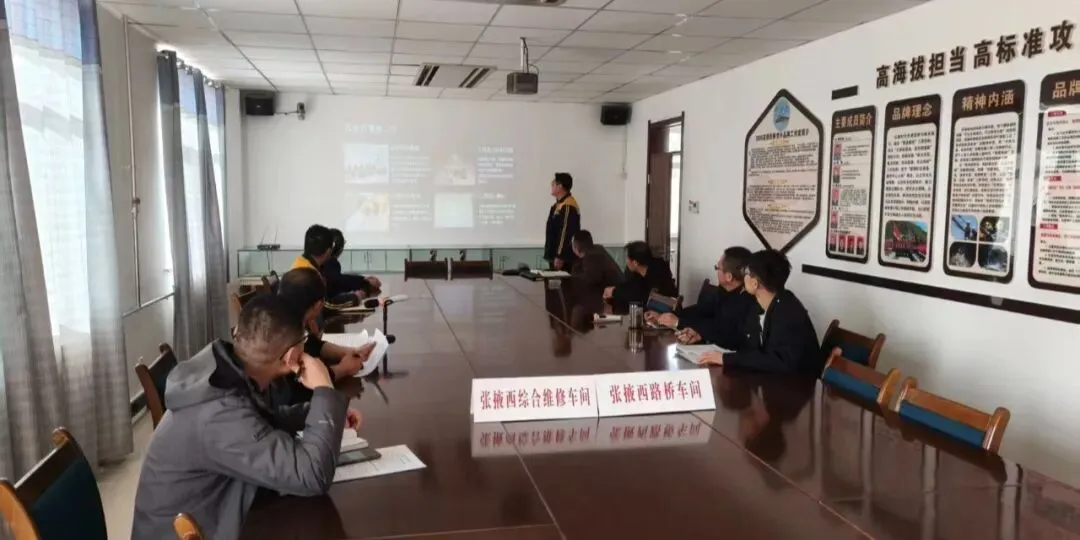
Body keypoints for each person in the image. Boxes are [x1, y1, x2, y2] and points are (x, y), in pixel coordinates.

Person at [132, 294, 362, 540]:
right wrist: (324, 390)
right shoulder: (219, 412)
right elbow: (313, 476)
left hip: (211, 516)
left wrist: (321, 412)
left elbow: (260, 421)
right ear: (292, 356)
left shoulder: (224, 372)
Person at [697, 249, 823, 377]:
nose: (743, 277)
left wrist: (726, 359)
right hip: (771, 380)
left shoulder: (788, 311)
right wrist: (702, 335)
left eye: (747, 273)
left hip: (797, 384)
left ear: (755, 283)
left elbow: (776, 360)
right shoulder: (762, 305)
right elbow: (742, 338)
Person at [275, 267, 375, 405]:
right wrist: (343, 369)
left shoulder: (287, 317)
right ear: (318, 305)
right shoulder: (283, 333)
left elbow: (313, 345)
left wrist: (350, 351)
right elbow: (299, 387)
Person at [667, 247, 756, 350]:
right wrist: (675, 315)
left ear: (729, 277)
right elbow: (702, 310)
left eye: (717, 268)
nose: (716, 271)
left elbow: (723, 330)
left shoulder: (746, 300)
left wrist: (680, 322)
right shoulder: (724, 290)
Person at [603, 241, 677, 305]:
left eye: (627, 259)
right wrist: (614, 289)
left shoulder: (658, 273)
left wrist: (614, 292)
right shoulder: (638, 274)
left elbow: (642, 295)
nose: (626, 262)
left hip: (667, 314)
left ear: (635, 263)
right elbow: (630, 287)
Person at [323, 228, 381, 299]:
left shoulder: (325, 263)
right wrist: (364, 282)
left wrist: (363, 280)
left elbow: (339, 279)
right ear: (340, 248)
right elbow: (338, 281)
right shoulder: (330, 263)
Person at [544, 172, 581, 271]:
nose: (551, 186)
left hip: (563, 259)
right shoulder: (557, 206)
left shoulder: (568, 206)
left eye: (553, 184)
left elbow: (565, 232)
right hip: (554, 256)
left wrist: (560, 256)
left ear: (560, 186)